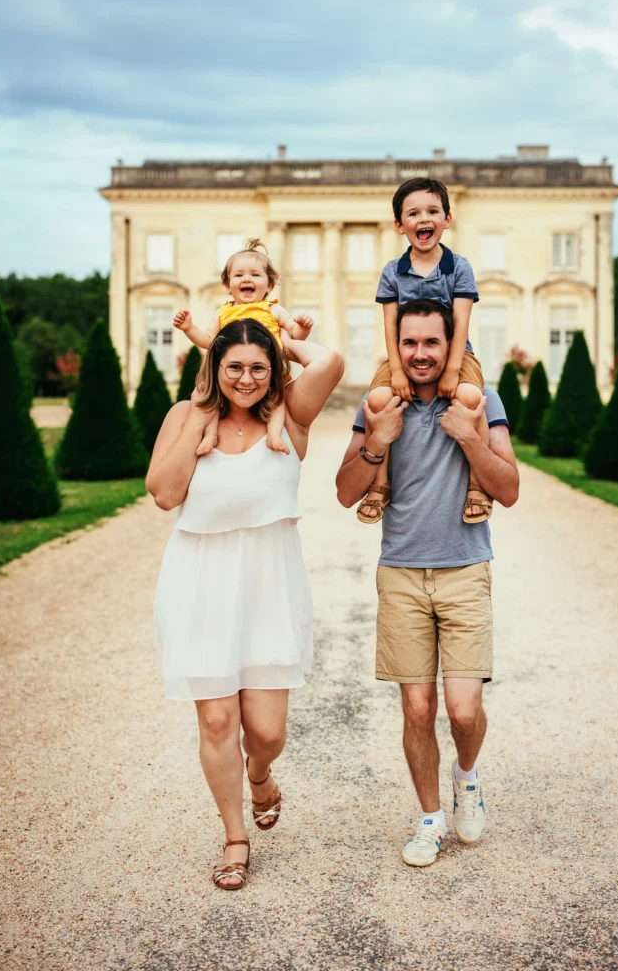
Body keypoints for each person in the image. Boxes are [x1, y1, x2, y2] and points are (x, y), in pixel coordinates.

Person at [147, 318, 343, 890]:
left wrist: (271, 337)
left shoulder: (291, 416)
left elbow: (328, 361)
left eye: (259, 367)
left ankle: (261, 775)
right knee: (214, 720)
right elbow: (162, 493)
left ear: (275, 370)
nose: (247, 378)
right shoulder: (186, 418)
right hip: (199, 584)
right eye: (234, 365)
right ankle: (235, 838)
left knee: (267, 732)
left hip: (268, 589)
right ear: (215, 368)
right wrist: (201, 414)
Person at [336, 298, 519, 868]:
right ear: (398, 345)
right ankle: (431, 819)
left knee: (463, 711)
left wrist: (469, 437)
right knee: (417, 708)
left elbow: (509, 489)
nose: (419, 353)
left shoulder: (480, 400)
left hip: (465, 568)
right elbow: (345, 492)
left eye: (431, 343)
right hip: (401, 573)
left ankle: (468, 778)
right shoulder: (381, 404)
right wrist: (377, 441)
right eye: (409, 342)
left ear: (451, 346)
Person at [357, 178, 490, 526]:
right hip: (403, 357)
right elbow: (390, 326)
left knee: (472, 397)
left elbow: (460, 322)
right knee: (377, 401)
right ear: (400, 225)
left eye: (432, 211)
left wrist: (452, 369)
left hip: (457, 355)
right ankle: (380, 483)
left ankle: (477, 484)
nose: (423, 218)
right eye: (413, 213)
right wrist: (397, 372)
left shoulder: (459, 267)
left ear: (447, 219)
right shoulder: (392, 272)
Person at [173, 238, 314, 456]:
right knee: (205, 396)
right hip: (228, 370)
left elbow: (294, 335)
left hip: (267, 370)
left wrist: (303, 327)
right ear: (228, 285)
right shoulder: (224, 313)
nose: (246, 278)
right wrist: (189, 328)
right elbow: (209, 340)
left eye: (255, 275)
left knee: (277, 400)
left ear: (269, 285)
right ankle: (210, 433)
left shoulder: (273, 310)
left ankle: (274, 434)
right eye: (238, 275)